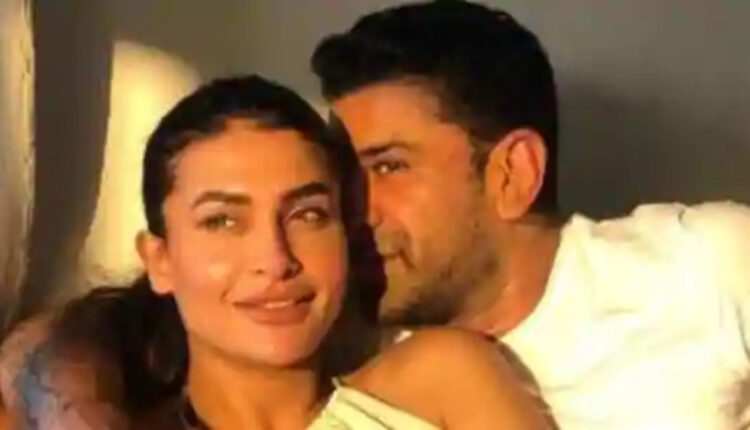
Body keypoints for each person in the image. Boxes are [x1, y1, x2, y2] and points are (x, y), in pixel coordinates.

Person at [4, 1, 750, 428]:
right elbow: (74, 337)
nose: (357, 212)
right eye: (224, 220)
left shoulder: (706, 264)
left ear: (513, 173)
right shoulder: (352, 318)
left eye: (387, 167)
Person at [1, 74, 548, 429]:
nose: (276, 258)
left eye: (307, 215)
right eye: (222, 221)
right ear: (160, 261)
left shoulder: (440, 383)